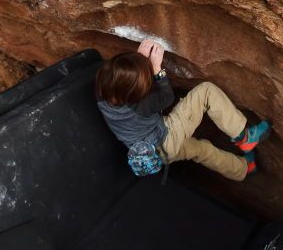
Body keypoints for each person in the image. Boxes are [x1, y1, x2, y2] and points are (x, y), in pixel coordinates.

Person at [95, 39, 271, 181]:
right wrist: (156, 69)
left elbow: (123, 82)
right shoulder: (141, 106)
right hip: (166, 138)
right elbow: (166, 97)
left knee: (202, 150)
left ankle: (242, 169)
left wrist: (138, 62)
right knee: (206, 91)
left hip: (155, 154)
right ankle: (245, 136)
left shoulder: (102, 91)